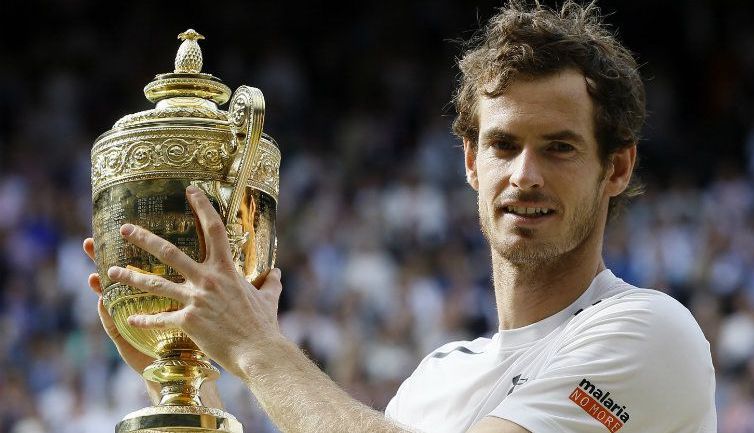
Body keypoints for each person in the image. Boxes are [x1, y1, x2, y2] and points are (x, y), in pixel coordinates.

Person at [83, 1, 716, 432]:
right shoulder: (438, 378)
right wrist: (180, 380)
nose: (525, 174)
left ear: (618, 168)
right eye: (503, 145)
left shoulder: (651, 332)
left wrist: (255, 345)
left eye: (560, 147)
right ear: (471, 161)